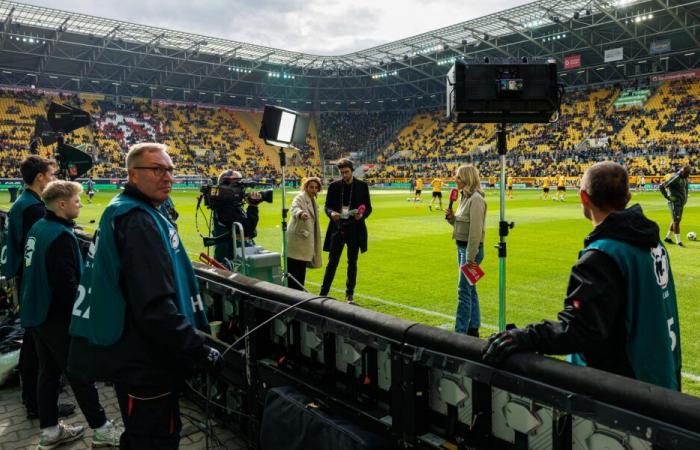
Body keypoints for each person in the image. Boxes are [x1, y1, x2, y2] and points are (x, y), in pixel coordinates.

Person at [68, 143, 221, 449]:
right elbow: (153, 305)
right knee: (154, 439)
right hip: (145, 360)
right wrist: (197, 346)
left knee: (140, 433)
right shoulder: (138, 220)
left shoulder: (125, 209)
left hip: (130, 353)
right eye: (157, 169)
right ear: (132, 175)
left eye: (170, 170)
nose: (168, 177)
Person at [483, 162, 682, 391]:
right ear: (627, 197)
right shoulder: (653, 242)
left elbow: (581, 330)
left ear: (583, 198)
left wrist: (524, 337)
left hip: (627, 392)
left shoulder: (603, 255)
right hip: (662, 379)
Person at [21, 180, 122, 449]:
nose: (80, 204)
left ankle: (50, 430)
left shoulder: (39, 227)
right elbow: (66, 286)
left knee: (48, 372)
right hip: (56, 317)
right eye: (77, 201)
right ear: (62, 204)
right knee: (79, 372)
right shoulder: (60, 235)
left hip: (36, 312)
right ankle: (100, 429)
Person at [0, 155, 74, 420]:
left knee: (33, 345)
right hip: (33, 285)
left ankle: (36, 403)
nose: (53, 178)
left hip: (25, 281)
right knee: (36, 348)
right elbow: (42, 248)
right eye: (51, 174)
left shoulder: (24, 202)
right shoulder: (32, 207)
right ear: (40, 176)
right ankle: (37, 404)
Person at [319, 159, 372, 304]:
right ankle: (323, 292)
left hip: (355, 229)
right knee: (332, 262)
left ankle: (349, 295)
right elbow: (327, 206)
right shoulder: (334, 186)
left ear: (352, 170)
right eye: (341, 172)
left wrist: (362, 215)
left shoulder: (362, 186)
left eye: (346, 172)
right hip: (338, 228)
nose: (344, 175)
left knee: (352, 263)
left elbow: (368, 207)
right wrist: (331, 214)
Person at [445, 165, 487, 337]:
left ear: (467, 179)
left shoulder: (476, 199)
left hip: (471, 251)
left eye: (459, 177)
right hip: (462, 248)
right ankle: (473, 328)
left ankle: (460, 333)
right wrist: (452, 219)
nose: (456, 180)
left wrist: (470, 258)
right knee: (470, 290)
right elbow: (462, 226)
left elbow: (476, 231)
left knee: (463, 291)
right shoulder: (465, 197)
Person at [212, 169, 262, 264]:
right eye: (237, 184)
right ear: (226, 186)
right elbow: (248, 230)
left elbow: (251, 232)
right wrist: (253, 206)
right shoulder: (225, 207)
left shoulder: (233, 205)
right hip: (230, 262)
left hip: (238, 258)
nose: (242, 187)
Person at [286, 177, 322, 290]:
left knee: (301, 271)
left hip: (303, 242)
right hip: (297, 242)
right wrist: (300, 213)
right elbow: (294, 208)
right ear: (306, 187)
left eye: (316, 187)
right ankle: (292, 296)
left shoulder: (313, 200)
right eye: (311, 187)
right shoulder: (300, 197)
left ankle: (298, 294)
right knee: (294, 272)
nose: (314, 189)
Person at [660, 165, 690, 247]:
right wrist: (668, 197)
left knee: (676, 220)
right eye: (687, 174)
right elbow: (662, 186)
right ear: (683, 172)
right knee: (676, 221)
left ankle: (668, 238)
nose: (688, 175)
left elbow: (685, 190)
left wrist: (685, 200)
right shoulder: (675, 178)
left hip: (680, 202)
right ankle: (678, 242)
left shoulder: (685, 178)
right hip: (674, 202)